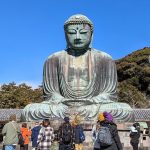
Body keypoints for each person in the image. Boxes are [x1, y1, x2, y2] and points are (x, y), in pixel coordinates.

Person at [22, 14, 134, 122]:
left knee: (124, 110)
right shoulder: (53, 59)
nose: (77, 37)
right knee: (30, 110)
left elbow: (109, 93)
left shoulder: (105, 59)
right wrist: (62, 100)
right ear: (65, 35)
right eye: (71, 33)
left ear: (91, 34)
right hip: (62, 106)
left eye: (83, 33)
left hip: (94, 105)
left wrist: (92, 100)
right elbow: (51, 93)